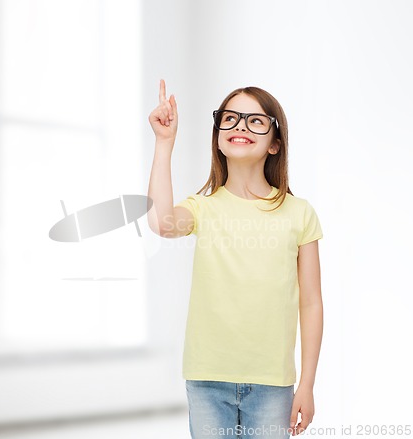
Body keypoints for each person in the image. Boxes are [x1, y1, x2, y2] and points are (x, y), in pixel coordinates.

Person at [147, 79, 323, 439]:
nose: (240, 125)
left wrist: (306, 384)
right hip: (207, 378)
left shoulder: (299, 213)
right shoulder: (203, 208)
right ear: (218, 136)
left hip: (273, 382)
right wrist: (164, 144)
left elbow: (311, 303)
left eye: (255, 120)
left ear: (275, 143)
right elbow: (161, 223)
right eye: (230, 118)